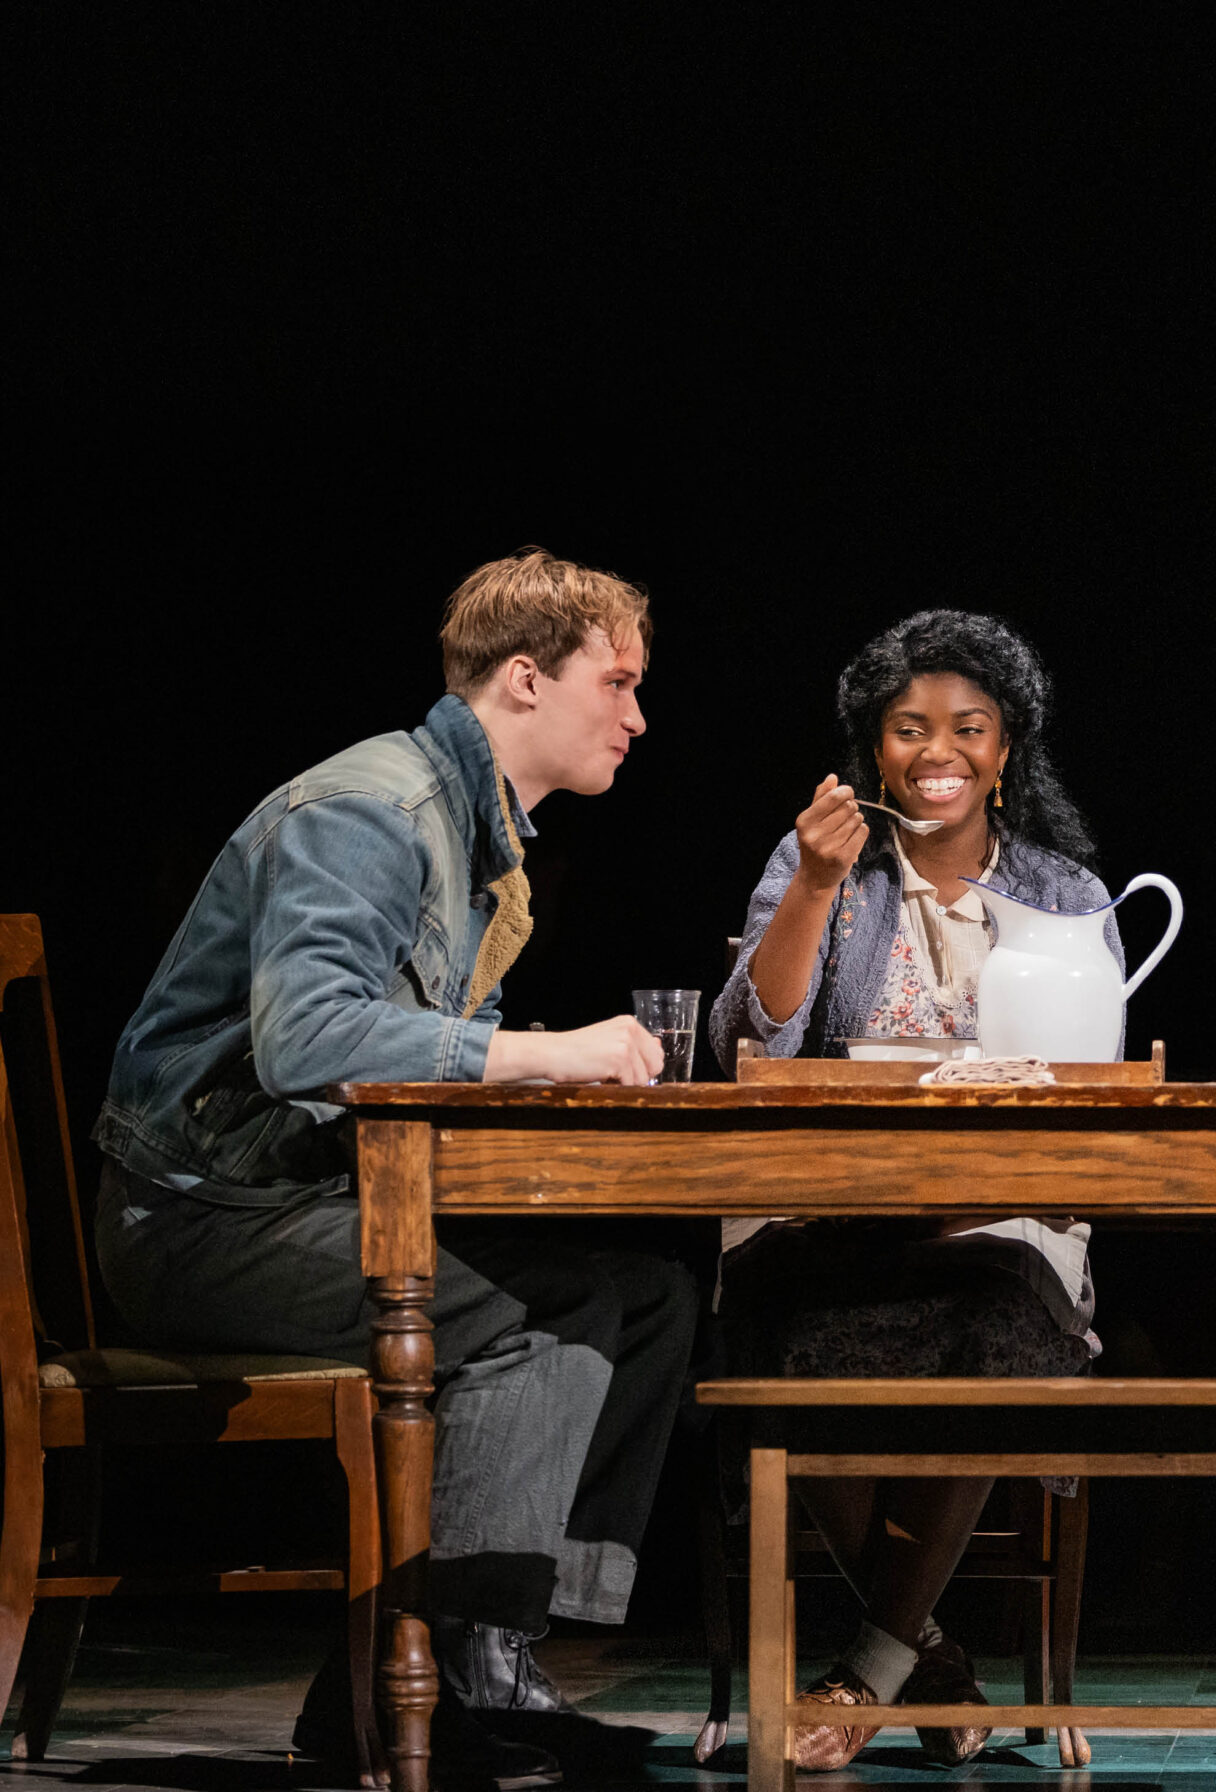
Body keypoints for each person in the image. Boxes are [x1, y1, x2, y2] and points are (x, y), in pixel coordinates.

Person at [90, 547, 700, 1789]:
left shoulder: (473, 834)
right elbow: (308, 1036)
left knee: (642, 1293)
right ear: (524, 679)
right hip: (207, 1222)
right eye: (619, 684)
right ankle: (404, 1674)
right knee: (533, 1321)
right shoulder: (374, 811)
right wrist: (547, 1054)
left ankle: (497, 1649)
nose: (638, 717)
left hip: (298, 1202)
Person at [707, 609, 1112, 1770]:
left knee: (996, 1327)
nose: (938, 751)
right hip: (838, 1205)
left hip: (999, 1217)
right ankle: (924, 1659)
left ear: (1006, 747)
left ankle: (868, 1669)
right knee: (783, 1331)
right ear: (870, 747)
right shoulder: (816, 864)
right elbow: (757, 1043)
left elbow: (1089, 1071)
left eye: (968, 728)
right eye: (908, 728)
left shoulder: (1066, 890)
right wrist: (816, 888)